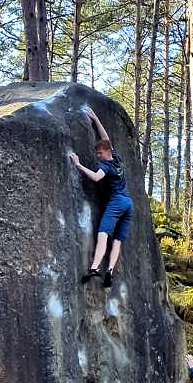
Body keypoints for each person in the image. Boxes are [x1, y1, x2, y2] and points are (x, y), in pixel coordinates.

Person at [69, 107, 133, 288]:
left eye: (99, 153)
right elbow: (105, 138)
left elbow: (96, 177)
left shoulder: (106, 166)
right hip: (128, 204)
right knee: (118, 240)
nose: (98, 156)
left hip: (117, 203)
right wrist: (96, 118)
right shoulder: (117, 158)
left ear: (106, 152)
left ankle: (95, 268)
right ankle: (110, 270)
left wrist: (78, 165)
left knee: (103, 234)